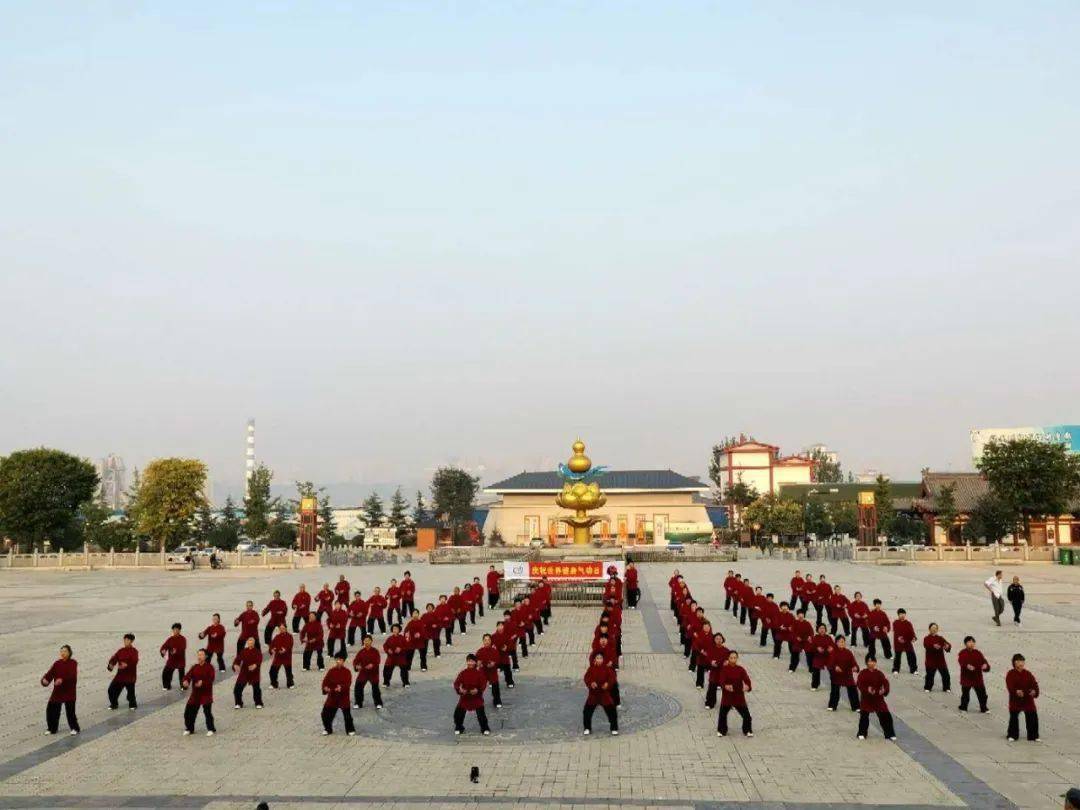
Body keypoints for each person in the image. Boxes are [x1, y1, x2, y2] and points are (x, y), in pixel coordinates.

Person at [42, 644, 80, 735]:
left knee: (70, 712)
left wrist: (62, 680)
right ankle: (52, 728)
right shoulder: (57, 663)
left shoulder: (73, 663)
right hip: (58, 692)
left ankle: (75, 728)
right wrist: (45, 681)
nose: (63, 653)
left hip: (69, 691)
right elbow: (50, 674)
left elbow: (72, 676)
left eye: (65, 651)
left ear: (69, 653)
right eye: (61, 651)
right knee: (51, 709)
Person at [856, 655, 896, 740]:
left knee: (885, 715)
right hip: (866, 698)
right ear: (866, 662)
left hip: (878, 698)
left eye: (873, 661)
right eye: (869, 661)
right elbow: (859, 684)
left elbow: (885, 683)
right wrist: (867, 690)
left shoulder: (879, 673)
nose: (871, 663)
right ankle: (862, 733)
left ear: (875, 662)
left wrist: (884, 690)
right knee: (864, 716)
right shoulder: (863, 673)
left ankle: (889, 733)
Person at [716, 650, 753, 738]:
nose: (733, 659)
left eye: (735, 658)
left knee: (746, 715)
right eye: (731, 658)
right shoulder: (724, 669)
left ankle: (747, 730)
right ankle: (722, 730)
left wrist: (748, 686)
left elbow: (746, 679)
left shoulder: (740, 669)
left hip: (738, 696)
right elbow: (721, 680)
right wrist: (725, 686)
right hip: (727, 696)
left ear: (737, 658)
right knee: (723, 715)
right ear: (728, 659)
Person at [453, 654, 491, 735]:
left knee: (481, 715)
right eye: (469, 661)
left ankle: (484, 728)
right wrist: (460, 689)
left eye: (472, 661)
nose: (470, 663)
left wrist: (478, 690)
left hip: (476, 697)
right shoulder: (463, 673)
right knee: (458, 713)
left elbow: (483, 684)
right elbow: (456, 683)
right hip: (465, 697)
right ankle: (459, 727)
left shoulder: (479, 673)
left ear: (475, 663)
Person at [583, 651, 619, 736]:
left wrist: (607, 684)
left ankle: (614, 728)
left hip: (604, 695)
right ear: (594, 660)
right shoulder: (591, 669)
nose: (599, 660)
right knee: (587, 711)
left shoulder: (607, 669)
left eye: (601, 658)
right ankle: (587, 728)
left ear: (603, 659)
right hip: (593, 695)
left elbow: (612, 678)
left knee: (611, 711)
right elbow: (586, 678)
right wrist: (591, 683)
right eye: (597, 658)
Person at [181, 648, 216, 736]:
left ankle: (211, 728)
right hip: (195, 694)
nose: (199, 656)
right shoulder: (195, 667)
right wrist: (185, 682)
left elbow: (211, 679)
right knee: (188, 712)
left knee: (207, 712)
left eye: (201, 655)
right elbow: (187, 676)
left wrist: (203, 682)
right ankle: (189, 728)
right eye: (198, 654)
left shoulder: (210, 667)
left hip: (206, 694)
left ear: (206, 656)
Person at [1005, 653, 1039, 742]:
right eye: (1018, 661)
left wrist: (1034, 691)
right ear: (1014, 663)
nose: (1020, 663)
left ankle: (1033, 736)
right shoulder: (1010, 674)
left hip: (1028, 699)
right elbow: (1010, 686)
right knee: (1014, 717)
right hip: (1015, 700)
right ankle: (1012, 735)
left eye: (1022, 661)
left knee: (1032, 716)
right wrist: (1016, 692)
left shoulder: (1028, 674)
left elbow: (1034, 684)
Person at [321, 653, 356, 735]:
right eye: (336, 659)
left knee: (347, 715)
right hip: (332, 696)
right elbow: (325, 682)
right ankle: (328, 728)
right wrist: (325, 688)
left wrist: (341, 688)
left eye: (340, 660)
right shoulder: (331, 671)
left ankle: (350, 729)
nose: (338, 661)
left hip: (343, 697)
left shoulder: (347, 672)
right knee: (325, 714)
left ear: (343, 661)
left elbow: (348, 683)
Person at [827, 635, 860, 712]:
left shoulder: (848, 652)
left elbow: (854, 663)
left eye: (843, 642)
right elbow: (830, 664)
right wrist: (835, 667)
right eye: (840, 642)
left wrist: (855, 668)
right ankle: (832, 705)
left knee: (853, 690)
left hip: (847, 674)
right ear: (836, 643)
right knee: (835, 691)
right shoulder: (833, 652)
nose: (842, 643)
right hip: (836, 675)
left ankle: (856, 706)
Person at [957, 635, 989, 712]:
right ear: (965, 644)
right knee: (965, 695)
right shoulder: (962, 653)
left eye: (972, 642)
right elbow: (961, 661)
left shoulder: (978, 653)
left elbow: (984, 661)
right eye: (969, 642)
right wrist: (967, 666)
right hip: (966, 678)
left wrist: (985, 666)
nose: (971, 643)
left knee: (982, 695)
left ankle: (983, 708)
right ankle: (963, 707)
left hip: (977, 678)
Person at [107, 633, 139, 710]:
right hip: (120, 676)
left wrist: (127, 665)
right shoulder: (121, 651)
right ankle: (114, 704)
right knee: (111, 690)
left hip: (130, 676)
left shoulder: (134, 651)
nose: (125, 641)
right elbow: (114, 658)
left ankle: (132, 704)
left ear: (131, 641)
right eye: (125, 640)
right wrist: (111, 664)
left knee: (130, 693)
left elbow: (135, 661)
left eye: (127, 640)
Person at [352, 634, 383, 709]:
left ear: (371, 641)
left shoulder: (375, 651)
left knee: (375, 688)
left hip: (373, 673)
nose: (366, 642)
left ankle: (378, 703)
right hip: (363, 673)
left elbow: (377, 660)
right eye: (365, 641)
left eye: (368, 641)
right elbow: (356, 660)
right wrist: (356, 666)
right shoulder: (361, 652)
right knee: (358, 687)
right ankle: (358, 703)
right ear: (363, 641)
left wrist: (372, 665)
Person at [232, 636, 264, 709]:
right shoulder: (244, 651)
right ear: (247, 642)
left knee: (256, 689)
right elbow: (237, 659)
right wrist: (235, 665)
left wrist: (255, 665)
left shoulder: (257, 652)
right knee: (237, 689)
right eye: (249, 641)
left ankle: (258, 703)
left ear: (254, 643)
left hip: (254, 673)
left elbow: (259, 660)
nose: (250, 642)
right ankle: (238, 703)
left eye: (252, 641)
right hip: (244, 672)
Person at [704, 633, 731, 709]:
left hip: (723, 673)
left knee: (727, 689)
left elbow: (730, 660)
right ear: (714, 640)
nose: (719, 640)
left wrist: (727, 662)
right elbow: (707, 658)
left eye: (720, 639)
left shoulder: (726, 650)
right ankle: (710, 703)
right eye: (717, 639)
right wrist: (711, 662)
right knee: (712, 688)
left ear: (723, 639)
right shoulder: (711, 649)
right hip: (714, 672)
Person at [923, 623, 952, 693]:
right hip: (931, 661)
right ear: (929, 629)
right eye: (932, 628)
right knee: (930, 675)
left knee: (946, 675)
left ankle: (946, 687)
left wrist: (947, 647)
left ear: (937, 629)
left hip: (940, 660)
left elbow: (947, 645)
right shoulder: (926, 638)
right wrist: (933, 646)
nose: (934, 629)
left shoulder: (940, 638)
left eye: (935, 628)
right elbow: (926, 645)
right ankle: (928, 687)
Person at [476, 634, 503, 708]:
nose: (487, 642)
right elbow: (477, 662)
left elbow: (497, 661)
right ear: (483, 641)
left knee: (495, 686)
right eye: (485, 640)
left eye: (488, 640)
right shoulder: (480, 651)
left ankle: (497, 700)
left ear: (491, 641)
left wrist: (493, 664)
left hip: (492, 672)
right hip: (483, 671)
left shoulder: (495, 651)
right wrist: (479, 664)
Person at [160, 623, 187, 691]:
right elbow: (164, 646)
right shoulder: (170, 639)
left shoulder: (183, 639)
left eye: (177, 629)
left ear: (179, 630)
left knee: (182, 675)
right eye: (174, 630)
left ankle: (183, 686)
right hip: (172, 660)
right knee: (166, 673)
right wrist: (163, 651)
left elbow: (183, 648)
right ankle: (167, 686)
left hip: (180, 660)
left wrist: (176, 651)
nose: (175, 631)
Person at [891, 608, 918, 675]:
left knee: (912, 656)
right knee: (897, 657)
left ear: (905, 614)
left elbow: (911, 632)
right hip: (898, 642)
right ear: (898, 615)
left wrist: (914, 637)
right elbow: (897, 632)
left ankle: (913, 670)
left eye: (903, 614)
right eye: (900, 614)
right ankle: (896, 669)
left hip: (907, 642)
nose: (902, 615)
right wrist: (899, 638)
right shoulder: (895, 623)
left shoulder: (908, 623)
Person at [268, 623, 295, 689]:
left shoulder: (289, 636)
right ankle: (274, 684)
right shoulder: (277, 636)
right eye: (280, 629)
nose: (281, 630)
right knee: (272, 671)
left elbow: (290, 645)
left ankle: (290, 684)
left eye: (283, 628)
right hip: (278, 657)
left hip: (286, 657)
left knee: (288, 671)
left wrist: (285, 650)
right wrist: (271, 650)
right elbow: (272, 645)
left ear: (286, 628)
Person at [809, 624, 835, 691]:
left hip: (828, 657)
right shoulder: (815, 637)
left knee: (832, 671)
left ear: (825, 629)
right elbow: (811, 648)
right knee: (816, 671)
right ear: (818, 630)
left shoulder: (828, 637)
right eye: (820, 628)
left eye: (823, 628)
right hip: (818, 657)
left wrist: (831, 649)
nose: (822, 630)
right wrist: (817, 649)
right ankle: (814, 685)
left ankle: (834, 685)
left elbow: (833, 646)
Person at [788, 609, 813, 673]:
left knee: (809, 654)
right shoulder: (795, 622)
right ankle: (792, 668)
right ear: (797, 615)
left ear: (804, 615)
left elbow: (811, 632)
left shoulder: (807, 623)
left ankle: (811, 668)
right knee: (794, 655)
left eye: (802, 614)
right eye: (799, 614)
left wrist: (810, 637)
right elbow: (792, 632)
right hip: (797, 641)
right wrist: (796, 637)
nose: (800, 615)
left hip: (806, 641)